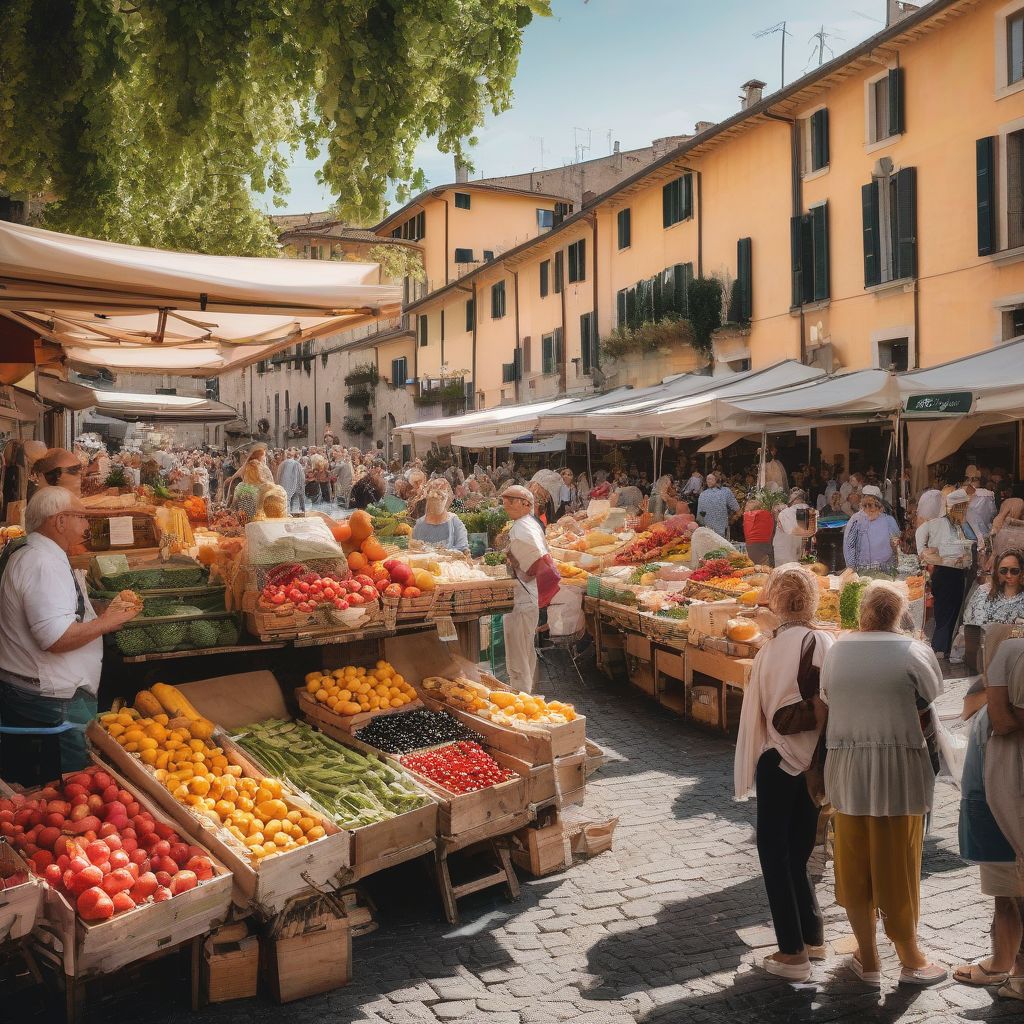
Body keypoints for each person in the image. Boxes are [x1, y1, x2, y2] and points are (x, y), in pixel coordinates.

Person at [821, 581, 946, 987]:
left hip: (848, 768)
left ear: (863, 611)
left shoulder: (838, 649)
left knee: (853, 866)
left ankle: (868, 957)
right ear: (899, 614)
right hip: (899, 772)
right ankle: (910, 957)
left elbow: (827, 695)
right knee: (899, 864)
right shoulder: (912, 651)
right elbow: (932, 693)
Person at [734, 568, 834, 982]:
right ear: (811, 599)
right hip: (815, 763)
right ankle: (812, 937)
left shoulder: (768, 650)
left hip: (777, 759)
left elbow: (755, 714)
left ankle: (793, 953)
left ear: (776, 602)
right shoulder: (827, 642)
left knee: (775, 855)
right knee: (799, 852)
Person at [0, 489, 139, 782]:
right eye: (81, 517)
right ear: (59, 521)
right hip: (50, 700)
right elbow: (55, 638)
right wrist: (107, 622)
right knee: (64, 786)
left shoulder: (39, 554)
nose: (87, 525)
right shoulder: (42, 563)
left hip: (43, 693)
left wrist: (98, 611)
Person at [955, 623, 1024, 995]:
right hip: (997, 808)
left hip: (994, 814)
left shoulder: (998, 712)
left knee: (1008, 897)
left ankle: (1006, 967)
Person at [917, 488, 977, 659]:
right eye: (964, 507)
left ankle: (945, 647)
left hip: (957, 573)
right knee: (944, 611)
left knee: (954, 609)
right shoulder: (939, 523)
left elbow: (970, 541)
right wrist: (925, 552)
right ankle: (939, 648)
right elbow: (923, 536)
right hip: (944, 572)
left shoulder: (960, 524)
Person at [501, 485, 550, 694]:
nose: (506, 504)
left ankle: (521, 698)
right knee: (524, 651)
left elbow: (540, 562)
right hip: (524, 596)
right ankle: (525, 696)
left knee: (519, 654)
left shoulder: (524, 525)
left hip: (522, 598)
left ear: (525, 504)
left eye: (510, 500)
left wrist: (519, 572)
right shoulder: (524, 523)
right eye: (505, 500)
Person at [962, 551, 1024, 673]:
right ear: (996, 572)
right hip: (987, 661)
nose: (1009, 575)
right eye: (1003, 571)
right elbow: (971, 629)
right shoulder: (984, 593)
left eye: (1014, 571)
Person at [842, 485, 901, 573]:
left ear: (879, 506)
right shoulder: (856, 520)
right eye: (866, 506)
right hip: (862, 570)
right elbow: (849, 545)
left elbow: (897, 544)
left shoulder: (888, 520)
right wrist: (852, 568)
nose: (869, 510)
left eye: (872, 507)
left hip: (886, 570)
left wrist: (894, 566)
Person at [411, 479, 469, 553]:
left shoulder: (454, 522)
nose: (436, 500)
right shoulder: (420, 524)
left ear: (447, 499)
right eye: (433, 498)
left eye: (440, 496)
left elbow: (463, 549)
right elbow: (414, 551)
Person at [773, 489, 812, 566]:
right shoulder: (810, 512)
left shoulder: (785, 512)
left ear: (797, 499)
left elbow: (787, 528)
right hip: (799, 551)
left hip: (784, 553)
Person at [696, 473, 739, 539]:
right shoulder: (726, 491)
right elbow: (736, 508)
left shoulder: (702, 494)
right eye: (707, 479)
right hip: (721, 531)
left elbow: (700, 516)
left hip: (709, 531)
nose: (708, 481)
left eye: (710, 479)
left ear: (717, 480)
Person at [964, 465, 997, 541]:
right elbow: (993, 513)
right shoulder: (989, 494)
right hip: (986, 531)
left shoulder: (965, 493)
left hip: (969, 533)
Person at [743, 498, 776, 568]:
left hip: (751, 547)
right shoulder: (768, 515)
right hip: (767, 545)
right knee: (767, 568)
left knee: (753, 568)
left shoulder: (747, 516)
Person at [275, 449, 306, 513]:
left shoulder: (281, 464)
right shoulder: (296, 464)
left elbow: (278, 478)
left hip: (284, 491)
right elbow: (301, 480)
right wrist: (303, 507)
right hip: (295, 490)